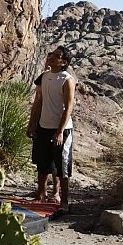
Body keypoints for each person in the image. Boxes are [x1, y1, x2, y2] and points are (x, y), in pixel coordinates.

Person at [26, 46, 75, 213]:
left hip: (61, 129)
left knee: (62, 165)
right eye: (53, 54)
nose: (53, 57)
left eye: (57, 56)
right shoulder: (45, 77)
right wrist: (32, 123)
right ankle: (41, 194)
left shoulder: (67, 79)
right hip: (44, 126)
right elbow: (38, 102)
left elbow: (68, 107)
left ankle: (64, 200)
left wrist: (60, 131)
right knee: (42, 162)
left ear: (64, 62)